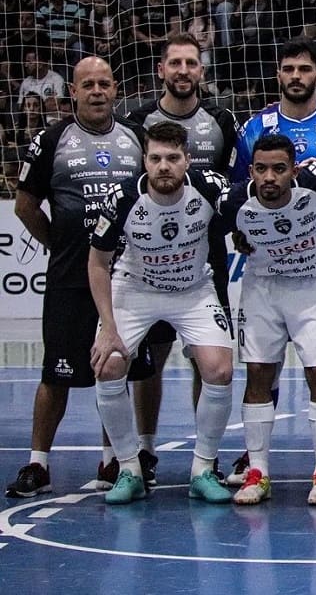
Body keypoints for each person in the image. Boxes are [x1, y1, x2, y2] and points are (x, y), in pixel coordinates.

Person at [5, 57, 146, 499]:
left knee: (116, 370)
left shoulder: (135, 137)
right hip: (69, 278)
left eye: (104, 83)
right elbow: (25, 207)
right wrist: (61, 247)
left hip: (125, 277)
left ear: (115, 89)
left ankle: (114, 461)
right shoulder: (51, 139)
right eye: (89, 85)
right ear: (74, 93)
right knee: (57, 373)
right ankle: (38, 463)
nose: (98, 92)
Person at [231, 38, 316, 485]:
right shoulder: (256, 126)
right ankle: (254, 461)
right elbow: (237, 192)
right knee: (261, 361)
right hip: (268, 261)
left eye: (304, 69)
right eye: (288, 68)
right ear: (278, 75)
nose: (296, 76)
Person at [86, 121, 233, 505]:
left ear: (187, 160)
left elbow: (250, 211)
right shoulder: (121, 197)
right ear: (144, 161)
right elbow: (99, 263)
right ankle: (128, 469)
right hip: (135, 288)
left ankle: (203, 469)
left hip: (194, 289)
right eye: (155, 159)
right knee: (109, 364)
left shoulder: (209, 188)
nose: (163, 166)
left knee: (219, 370)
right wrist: (108, 328)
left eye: (172, 158)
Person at [119, 34, 237, 488]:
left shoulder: (221, 119)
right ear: (162, 70)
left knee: (204, 358)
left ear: (201, 71)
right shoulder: (137, 120)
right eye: (176, 63)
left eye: (192, 63)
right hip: (148, 254)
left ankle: (203, 459)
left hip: (204, 252)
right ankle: (144, 449)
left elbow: (231, 185)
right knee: (149, 356)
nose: (184, 70)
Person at [212, 135, 316, 504]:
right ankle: (258, 472)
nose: (270, 177)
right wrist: (237, 234)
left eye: (279, 169)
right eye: (261, 169)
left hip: (313, 291)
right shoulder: (234, 200)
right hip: (262, 291)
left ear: (294, 171)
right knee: (258, 376)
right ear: (250, 171)